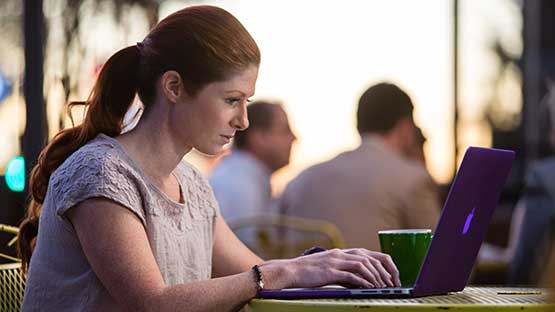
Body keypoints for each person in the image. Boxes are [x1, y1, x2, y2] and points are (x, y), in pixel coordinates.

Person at [17, 6, 400, 311]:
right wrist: (285, 271)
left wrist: (332, 269)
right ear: (174, 87)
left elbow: (255, 277)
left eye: (246, 101)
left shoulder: (192, 185)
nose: (243, 120)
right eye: (232, 100)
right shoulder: (99, 174)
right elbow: (152, 304)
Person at [280, 82, 441, 252]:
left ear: (359, 126)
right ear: (405, 127)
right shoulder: (412, 179)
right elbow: (442, 256)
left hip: (301, 278)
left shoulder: (300, 180)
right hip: (371, 278)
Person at [209, 101, 296, 249]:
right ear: (259, 137)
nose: (294, 138)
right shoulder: (238, 185)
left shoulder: (243, 178)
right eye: (285, 130)